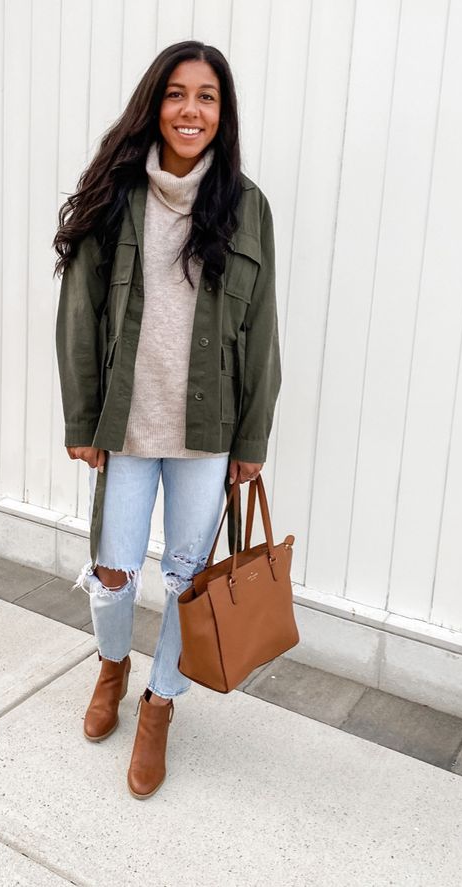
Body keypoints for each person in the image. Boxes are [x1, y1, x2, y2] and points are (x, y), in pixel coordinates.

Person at [53, 40, 281, 799]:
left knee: (186, 582)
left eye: (207, 96)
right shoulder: (117, 195)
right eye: (178, 94)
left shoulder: (246, 206)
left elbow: (264, 329)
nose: (191, 109)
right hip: (126, 423)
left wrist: (251, 437)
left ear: (223, 113)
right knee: (114, 576)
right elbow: (78, 314)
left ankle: (158, 705)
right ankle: (111, 666)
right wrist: (83, 417)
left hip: (207, 431)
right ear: (156, 104)